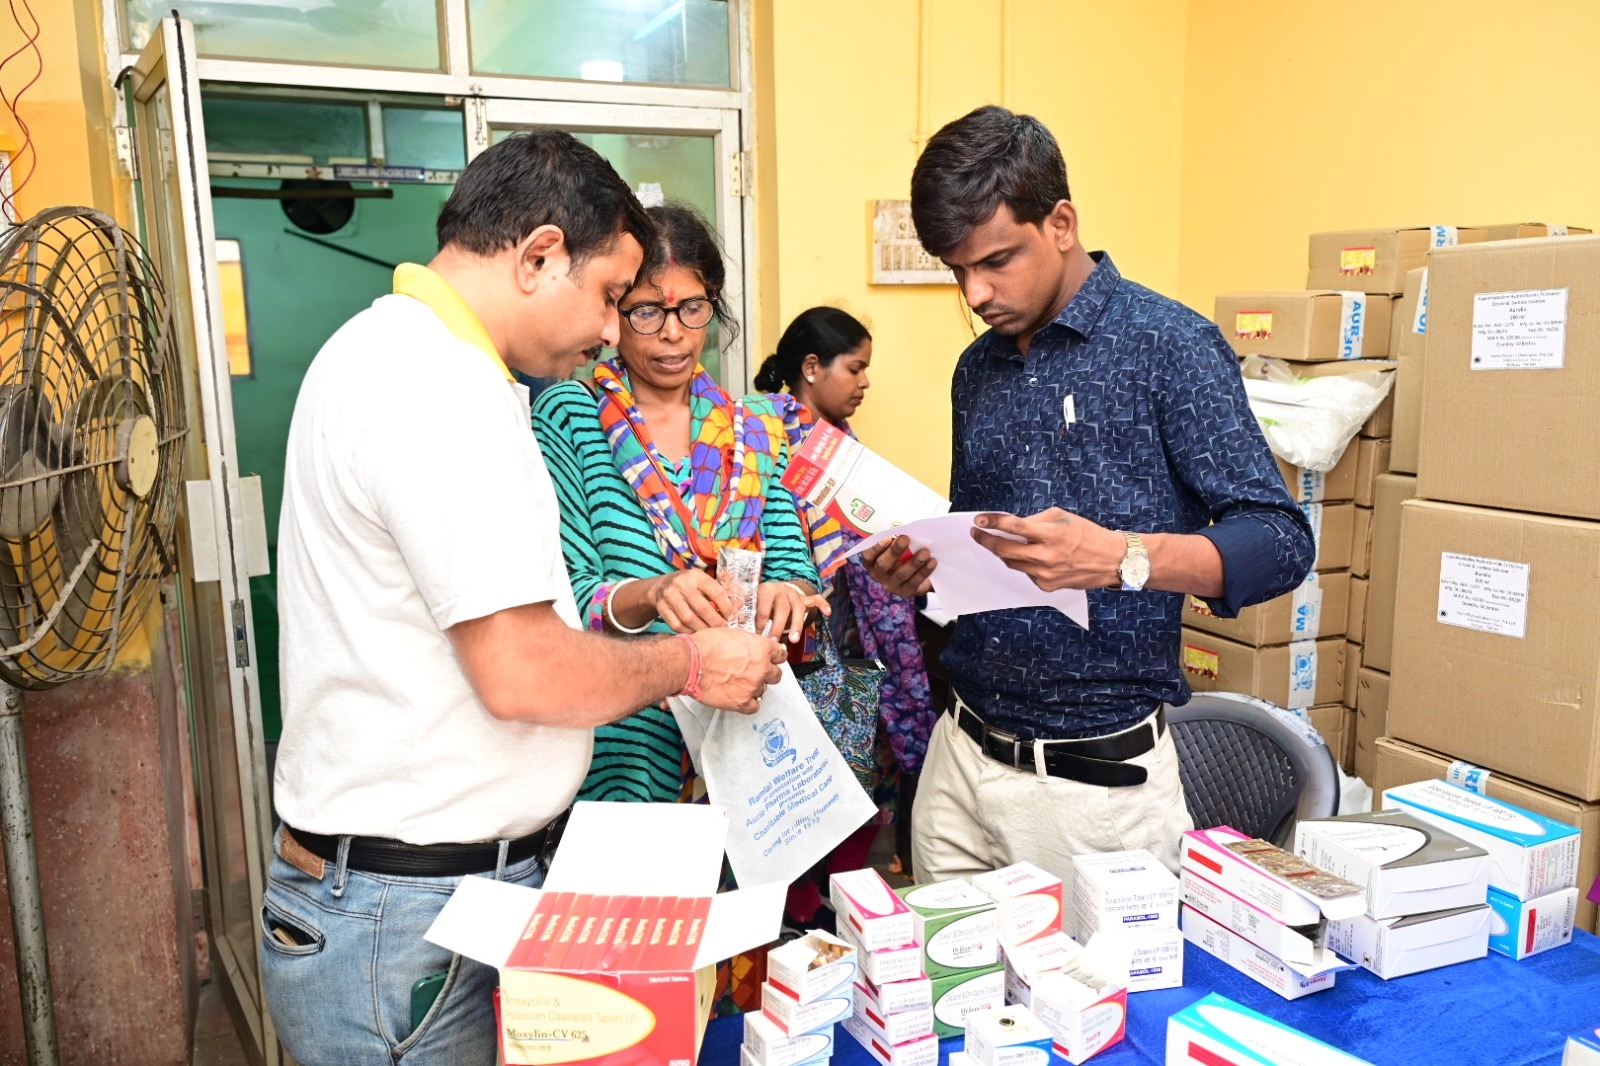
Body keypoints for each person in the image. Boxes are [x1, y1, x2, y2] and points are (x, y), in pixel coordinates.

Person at [265, 133, 785, 1065]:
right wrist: (694, 661)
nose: (612, 329)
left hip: (425, 890)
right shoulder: (434, 388)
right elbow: (524, 668)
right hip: (404, 912)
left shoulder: (416, 359)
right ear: (539, 253)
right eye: (611, 297)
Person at [864, 106, 1315, 909]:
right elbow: (985, 553)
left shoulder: (1169, 347)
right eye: (955, 269)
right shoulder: (979, 369)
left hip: (1095, 793)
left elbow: (1279, 541)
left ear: (1062, 222)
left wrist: (1121, 558)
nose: (975, 293)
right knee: (953, 1012)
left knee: (1098, 1030)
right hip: (959, 767)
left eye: (997, 260)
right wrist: (925, 577)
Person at [532, 203, 832, 806]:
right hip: (623, 750)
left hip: (749, 749)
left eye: (692, 308)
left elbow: (798, 574)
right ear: (613, 312)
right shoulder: (571, 416)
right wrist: (652, 591)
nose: (672, 332)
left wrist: (788, 596)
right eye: (646, 310)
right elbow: (564, 599)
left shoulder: (753, 431)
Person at [754, 307, 940, 885]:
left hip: (853, 645)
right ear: (811, 367)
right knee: (798, 785)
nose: (865, 383)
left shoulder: (842, 448)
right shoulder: (765, 440)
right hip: (799, 639)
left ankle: (836, 901)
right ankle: (805, 906)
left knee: (851, 783)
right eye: (855, 368)